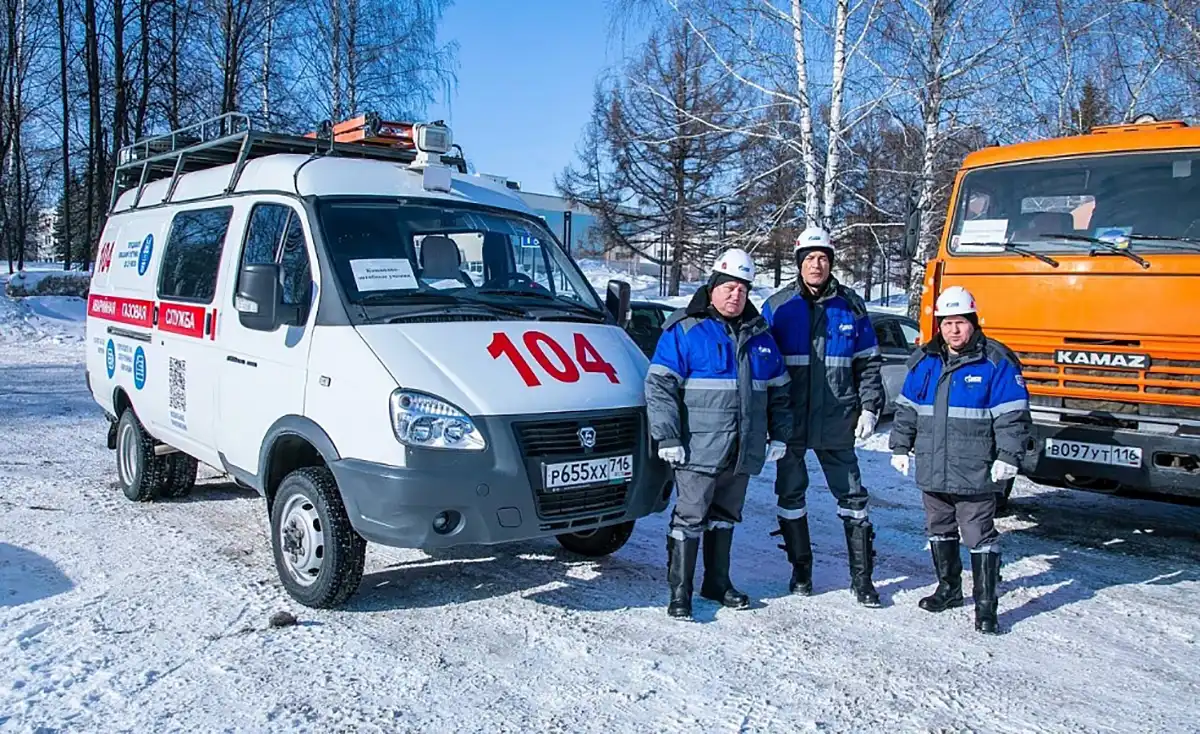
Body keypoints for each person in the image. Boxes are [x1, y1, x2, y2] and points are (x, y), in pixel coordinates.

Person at [645, 248, 793, 620]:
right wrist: (667, 436)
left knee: (726, 514)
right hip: (698, 447)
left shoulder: (761, 336)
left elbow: (780, 391)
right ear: (712, 287)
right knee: (691, 516)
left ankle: (716, 582)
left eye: (742, 289)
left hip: (742, 448)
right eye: (728, 287)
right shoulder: (686, 329)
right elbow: (659, 386)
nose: (735, 295)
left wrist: (779, 435)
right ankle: (680, 592)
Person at [888, 285, 1031, 635]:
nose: (954, 330)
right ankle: (949, 589)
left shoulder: (995, 360)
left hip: (975, 470)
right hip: (932, 467)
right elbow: (907, 409)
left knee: (978, 534)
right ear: (939, 325)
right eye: (947, 323)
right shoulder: (925, 361)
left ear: (973, 322)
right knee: (938, 529)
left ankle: (986, 608)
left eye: (960, 322)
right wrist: (899, 446)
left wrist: (1008, 455)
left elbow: (1013, 415)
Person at [761, 226, 885, 606]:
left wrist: (869, 406)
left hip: (837, 419)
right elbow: (764, 368)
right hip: (791, 422)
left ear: (831, 262)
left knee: (853, 497)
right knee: (790, 494)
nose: (816, 265)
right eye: (810, 258)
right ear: (799, 263)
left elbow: (868, 363)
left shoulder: (851, 306)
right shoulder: (778, 306)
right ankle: (801, 570)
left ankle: (862, 579)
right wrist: (765, 421)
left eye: (823, 258)